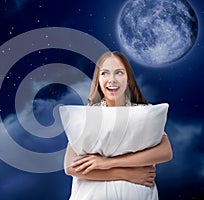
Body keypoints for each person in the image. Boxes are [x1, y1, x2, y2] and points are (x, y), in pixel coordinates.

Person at [64, 51, 173, 199]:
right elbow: (70, 167)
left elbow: (165, 151)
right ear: (98, 79)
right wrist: (126, 173)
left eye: (119, 73)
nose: (112, 80)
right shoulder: (88, 117)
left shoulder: (143, 114)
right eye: (105, 73)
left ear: (128, 78)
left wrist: (108, 163)